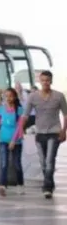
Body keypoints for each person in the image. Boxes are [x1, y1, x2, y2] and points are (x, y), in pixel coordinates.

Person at [21, 70, 67, 199]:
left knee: (49, 160)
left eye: (47, 80)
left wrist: (64, 131)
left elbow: (65, 115)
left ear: (51, 81)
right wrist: (20, 130)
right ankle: (50, 182)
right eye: (43, 80)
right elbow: (25, 115)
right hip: (40, 133)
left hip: (54, 132)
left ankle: (47, 187)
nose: (45, 82)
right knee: (43, 162)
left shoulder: (59, 96)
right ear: (40, 81)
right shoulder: (33, 96)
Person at [0, 88, 25, 196]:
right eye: (6, 96)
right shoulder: (0, 109)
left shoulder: (19, 110)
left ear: (14, 97)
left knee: (16, 164)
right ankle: (2, 185)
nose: (8, 98)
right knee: (4, 163)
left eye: (10, 96)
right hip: (3, 140)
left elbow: (19, 126)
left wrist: (13, 140)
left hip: (16, 141)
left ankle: (20, 184)